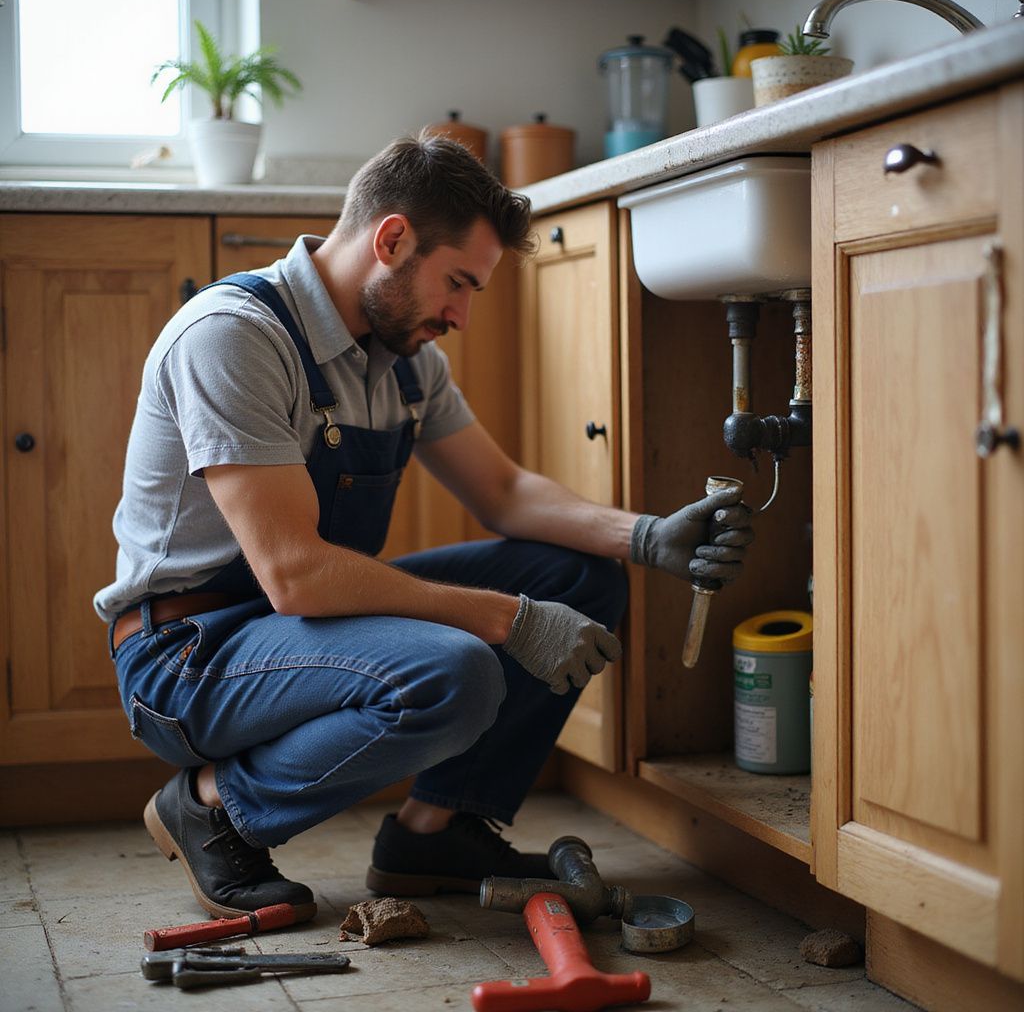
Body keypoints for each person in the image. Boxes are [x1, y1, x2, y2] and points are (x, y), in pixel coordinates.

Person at [95, 131, 753, 924]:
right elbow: (296, 573)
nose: (463, 316)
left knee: (580, 575)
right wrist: (506, 619)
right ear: (393, 239)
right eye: (458, 283)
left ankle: (432, 835)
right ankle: (212, 807)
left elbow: (504, 491)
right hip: (187, 655)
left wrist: (646, 537)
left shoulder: (406, 361)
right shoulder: (236, 336)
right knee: (455, 671)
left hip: (294, 627)